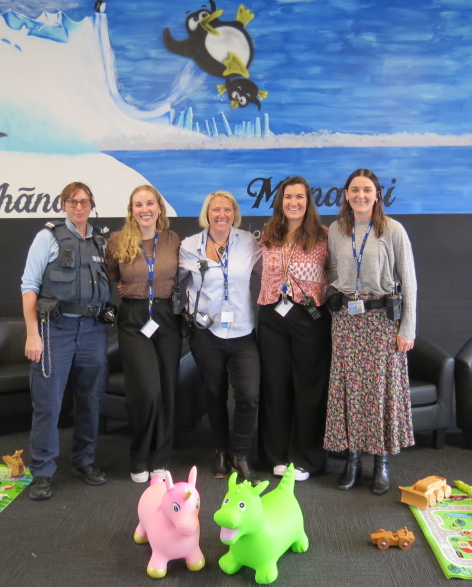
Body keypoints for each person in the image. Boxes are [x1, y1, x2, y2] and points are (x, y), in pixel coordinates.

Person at [323, 168, 417, 495]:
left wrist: (407, 328)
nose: (360, 196)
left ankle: (380, 462)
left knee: (377, 392)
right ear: (346, 195)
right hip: (347, 322)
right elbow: (332, 271)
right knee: (348, 390)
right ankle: (351, 460)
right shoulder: (336, 230)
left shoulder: (392, 230)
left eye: (366, 190)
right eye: (354, 190)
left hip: (381, 322)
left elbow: (410, 281)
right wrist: (333, 293)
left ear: (377, 194)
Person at [22, 181, 111, 501]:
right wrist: (33, 333)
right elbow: (29, 286)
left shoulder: (101, 240)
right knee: (48, 404)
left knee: (90, 400)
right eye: (72, 202)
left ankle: (84, 460)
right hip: (54, 331)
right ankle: (43, 471)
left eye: (85, 202)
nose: (79, 207)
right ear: (63, 205)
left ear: (92, 205)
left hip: (92, 331)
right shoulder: (47, 237)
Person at [179, 190, 262, 484]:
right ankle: (221, 451)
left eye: (227, 210)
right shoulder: (190, 246)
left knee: (249, 396)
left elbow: (272, 268)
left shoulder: (249, 243)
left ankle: (240, 453)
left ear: (234, 213)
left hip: (242, 331)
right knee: (214, 394)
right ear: (207, 213)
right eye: (216, 210)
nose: (222, 215)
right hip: (206, 331)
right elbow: (173, 280)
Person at [257, 176, 331, 482]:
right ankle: (275, 454)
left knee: (309, 388)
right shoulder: (268, 234)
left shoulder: (325, 236)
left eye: (299, 197)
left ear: (308, 201)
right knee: (275, 386)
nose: (293, 203)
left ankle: (307, 458)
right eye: (288, 197)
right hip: (271, 314)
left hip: (309, 316)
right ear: (280, 201)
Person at [106, 185, 181, 483]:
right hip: (134, 318)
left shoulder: (173, 240)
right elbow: (111, 276)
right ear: (132, 210)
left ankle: (160, 459)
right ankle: (139, 456)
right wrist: (126, 288)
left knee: (166, 390)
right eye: (139, 204)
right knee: (147, 392)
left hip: (166, 317)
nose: (145, 209)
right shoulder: (117, 241)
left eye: (150, 203)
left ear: (159, 208)